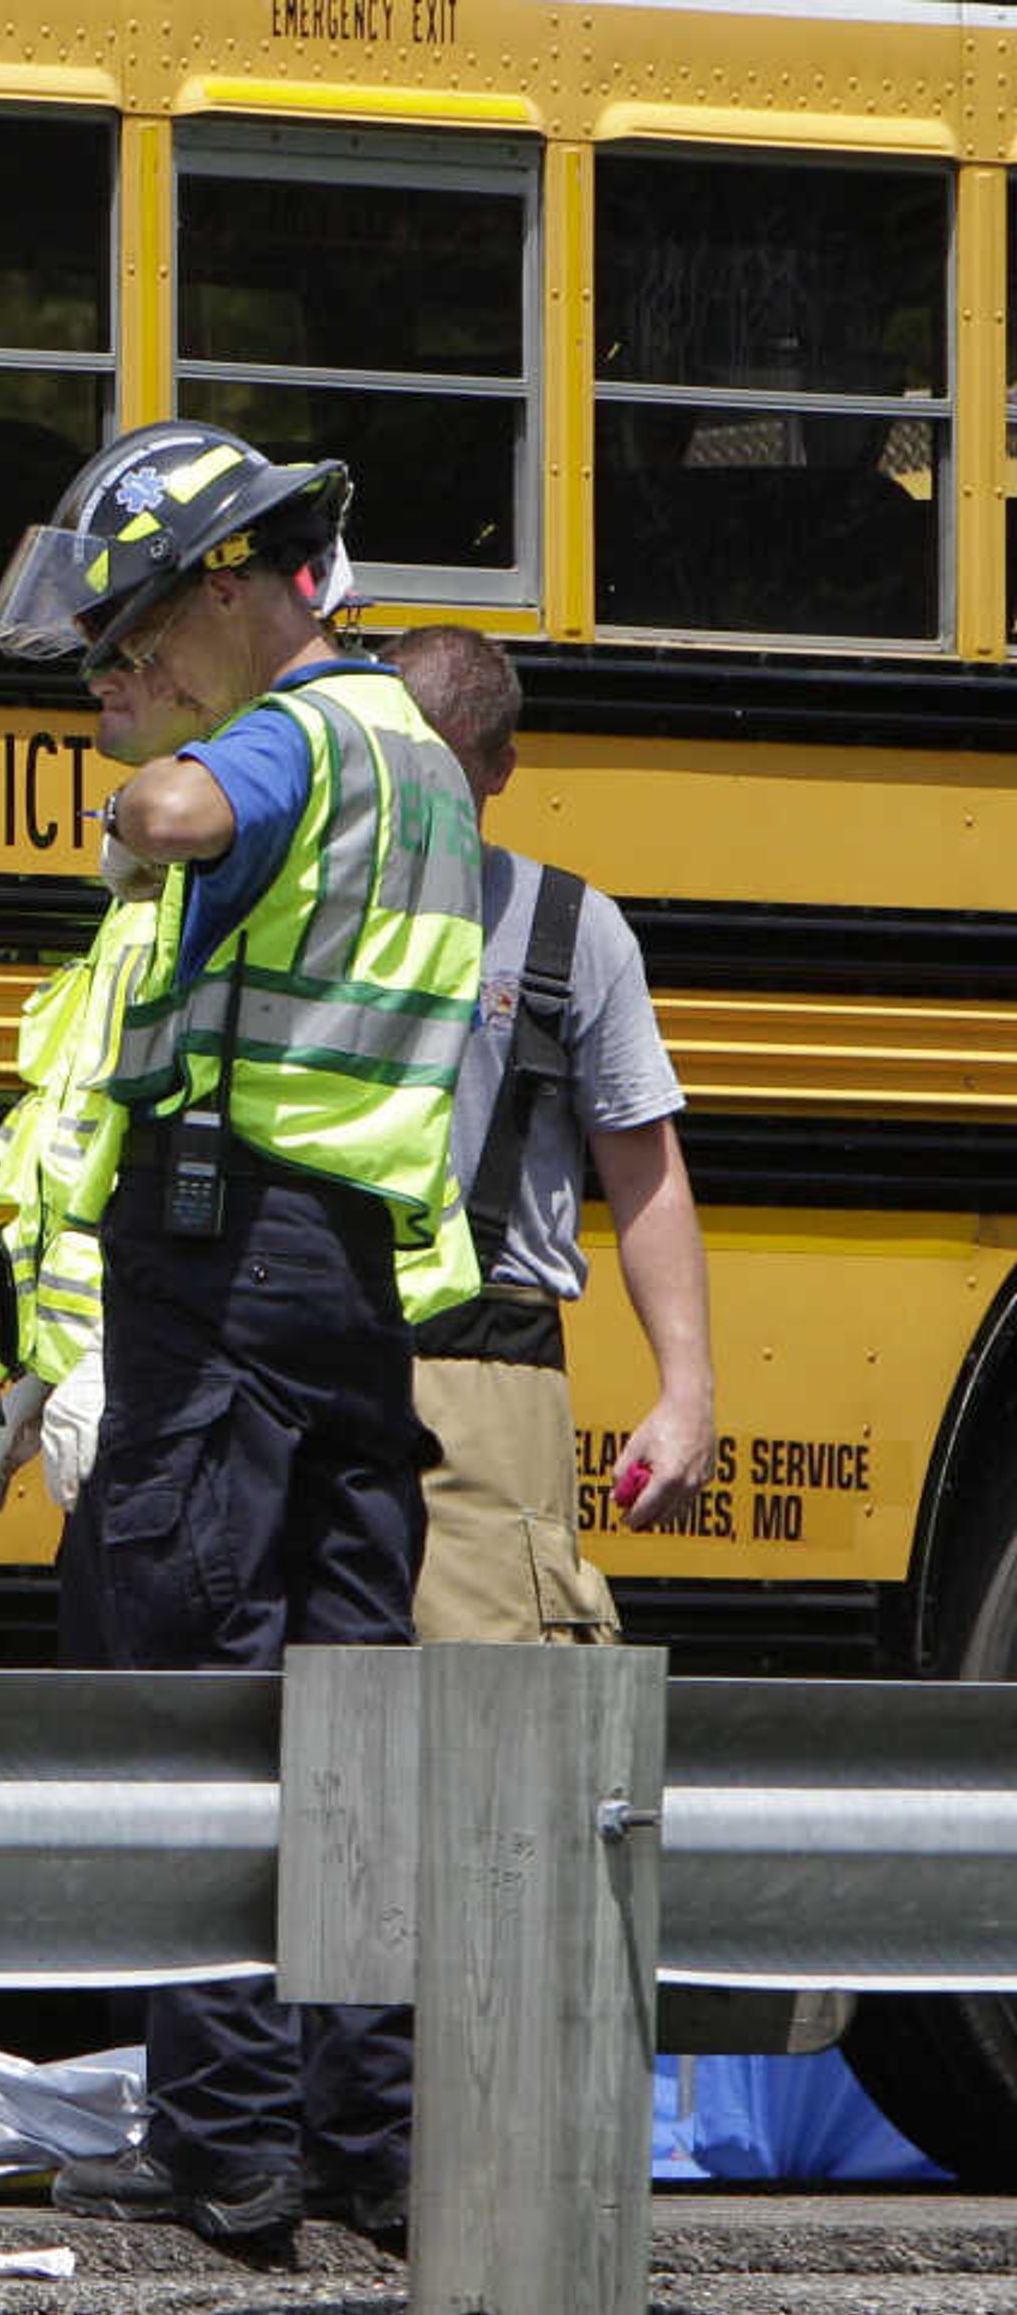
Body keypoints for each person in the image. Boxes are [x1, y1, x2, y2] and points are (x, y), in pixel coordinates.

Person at [0, 419, 487, 2252]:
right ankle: (369, 2143)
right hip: (355, 1278)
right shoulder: (425, 752)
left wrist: (141, 801)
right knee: (351, 1704)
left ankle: (224, 2147)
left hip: (236, 1255)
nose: (131, 675)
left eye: (142, 632)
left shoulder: (299, 724)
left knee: (206, 1679)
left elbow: (200, 806)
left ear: (231, 585)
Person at [380, 625, 719, 1624]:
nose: (413, 809)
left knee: (489, 1724)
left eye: (442, 777)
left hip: (489, 1373)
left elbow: (646, 1172)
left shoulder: (568, 932)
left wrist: (687, 1390)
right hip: (301, 1353)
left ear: (500, 772)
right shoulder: (291, 905)